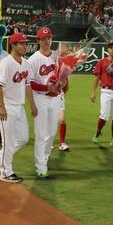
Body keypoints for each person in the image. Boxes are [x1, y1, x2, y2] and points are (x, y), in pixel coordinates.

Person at [0, 33, 38, 182]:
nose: (25, 46)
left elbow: (28, 85)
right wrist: (2, 107)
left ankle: (0, 157)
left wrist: (32, 104)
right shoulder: (6, 63)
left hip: (19, 106)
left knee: (23, 138)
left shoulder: (26, 63)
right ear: (13, 45)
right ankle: (5, 172)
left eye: (25, 43)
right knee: (8, 141)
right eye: (21, 43)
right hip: (6, 106)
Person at [29, 27, 67, 179]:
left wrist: (64, 83)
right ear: (38, 40)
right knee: (41, 133)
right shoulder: (33, 59)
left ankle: (44, 158)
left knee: (51, 132)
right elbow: (30, 84)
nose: (46, 41)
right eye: (43, 39)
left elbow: (64, 75)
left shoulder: (58, 56)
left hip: (55, 97)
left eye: (49, 38)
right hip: (40, 97)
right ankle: (40, 167)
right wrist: (46, 87)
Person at [91, 41, 113, 146]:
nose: (112, 49)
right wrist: (93, 91)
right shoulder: (102, 62)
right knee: (104, 115)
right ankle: (98, 132)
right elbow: (97, 77)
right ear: (107, 50)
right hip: (105, 90)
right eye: (110, 47)